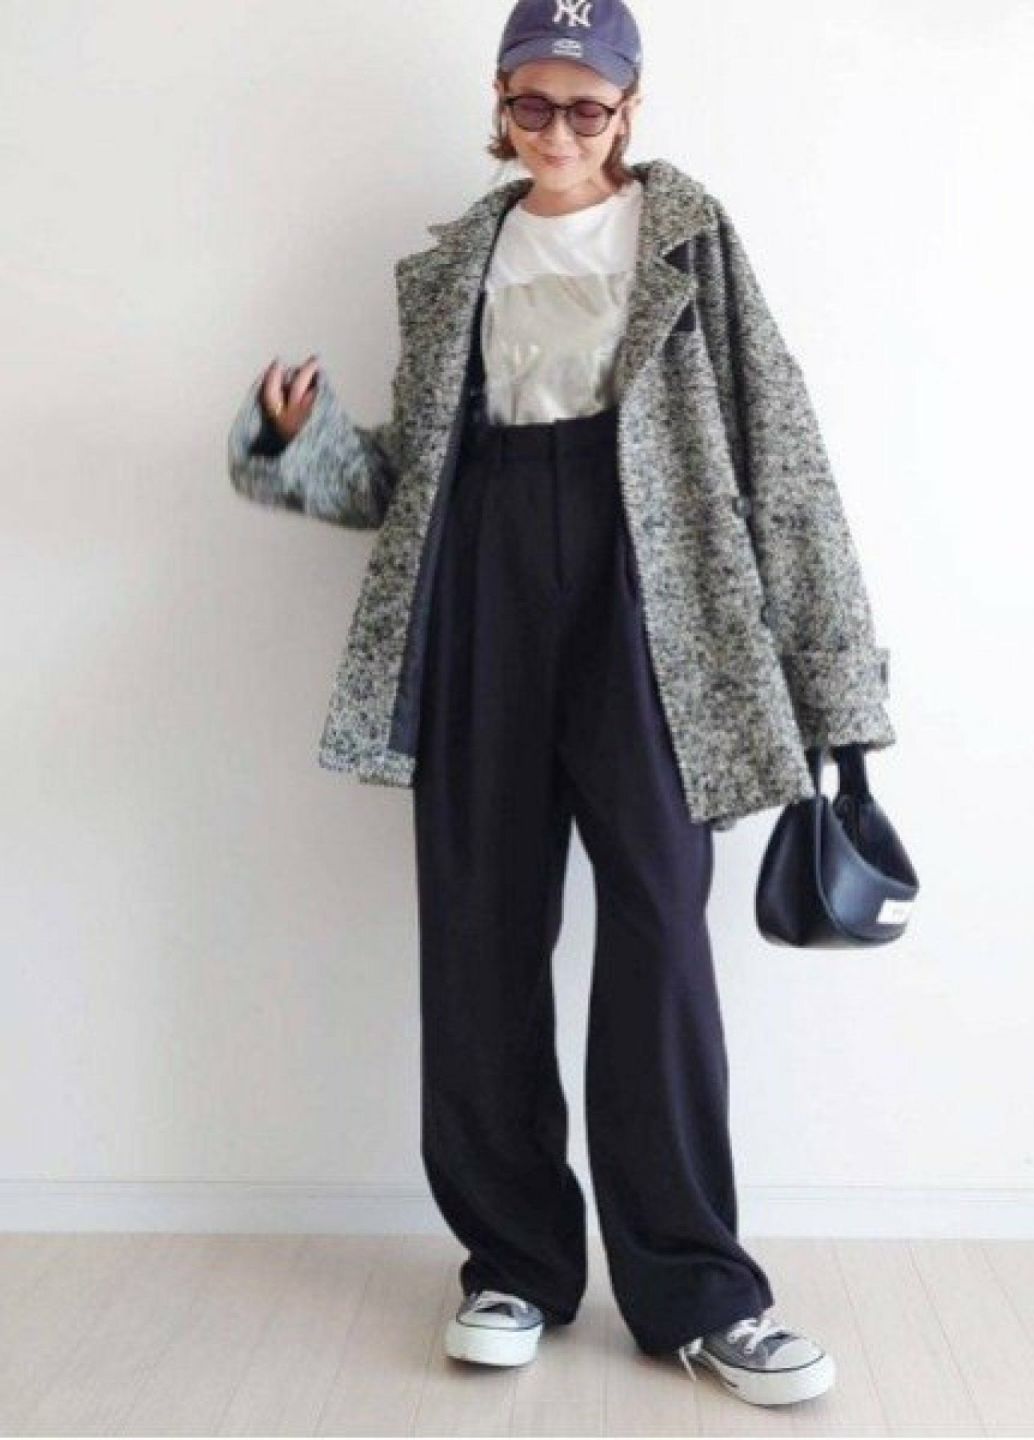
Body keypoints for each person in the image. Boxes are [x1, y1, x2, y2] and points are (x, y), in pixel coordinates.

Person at [228, 0, 898, 1409]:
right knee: (480, 929)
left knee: (659, 932)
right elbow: (410, 481)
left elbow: (780, 451)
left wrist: (835, 679)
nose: (557, 132)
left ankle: (701, 1290)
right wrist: (300, 442)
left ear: (629, 111)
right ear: (500, 105)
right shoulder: (454, 264)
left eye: (585, 108)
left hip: (651, 603)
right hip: (482, 586)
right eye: (530, 105)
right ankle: (514, 1265)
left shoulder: (690, 242)